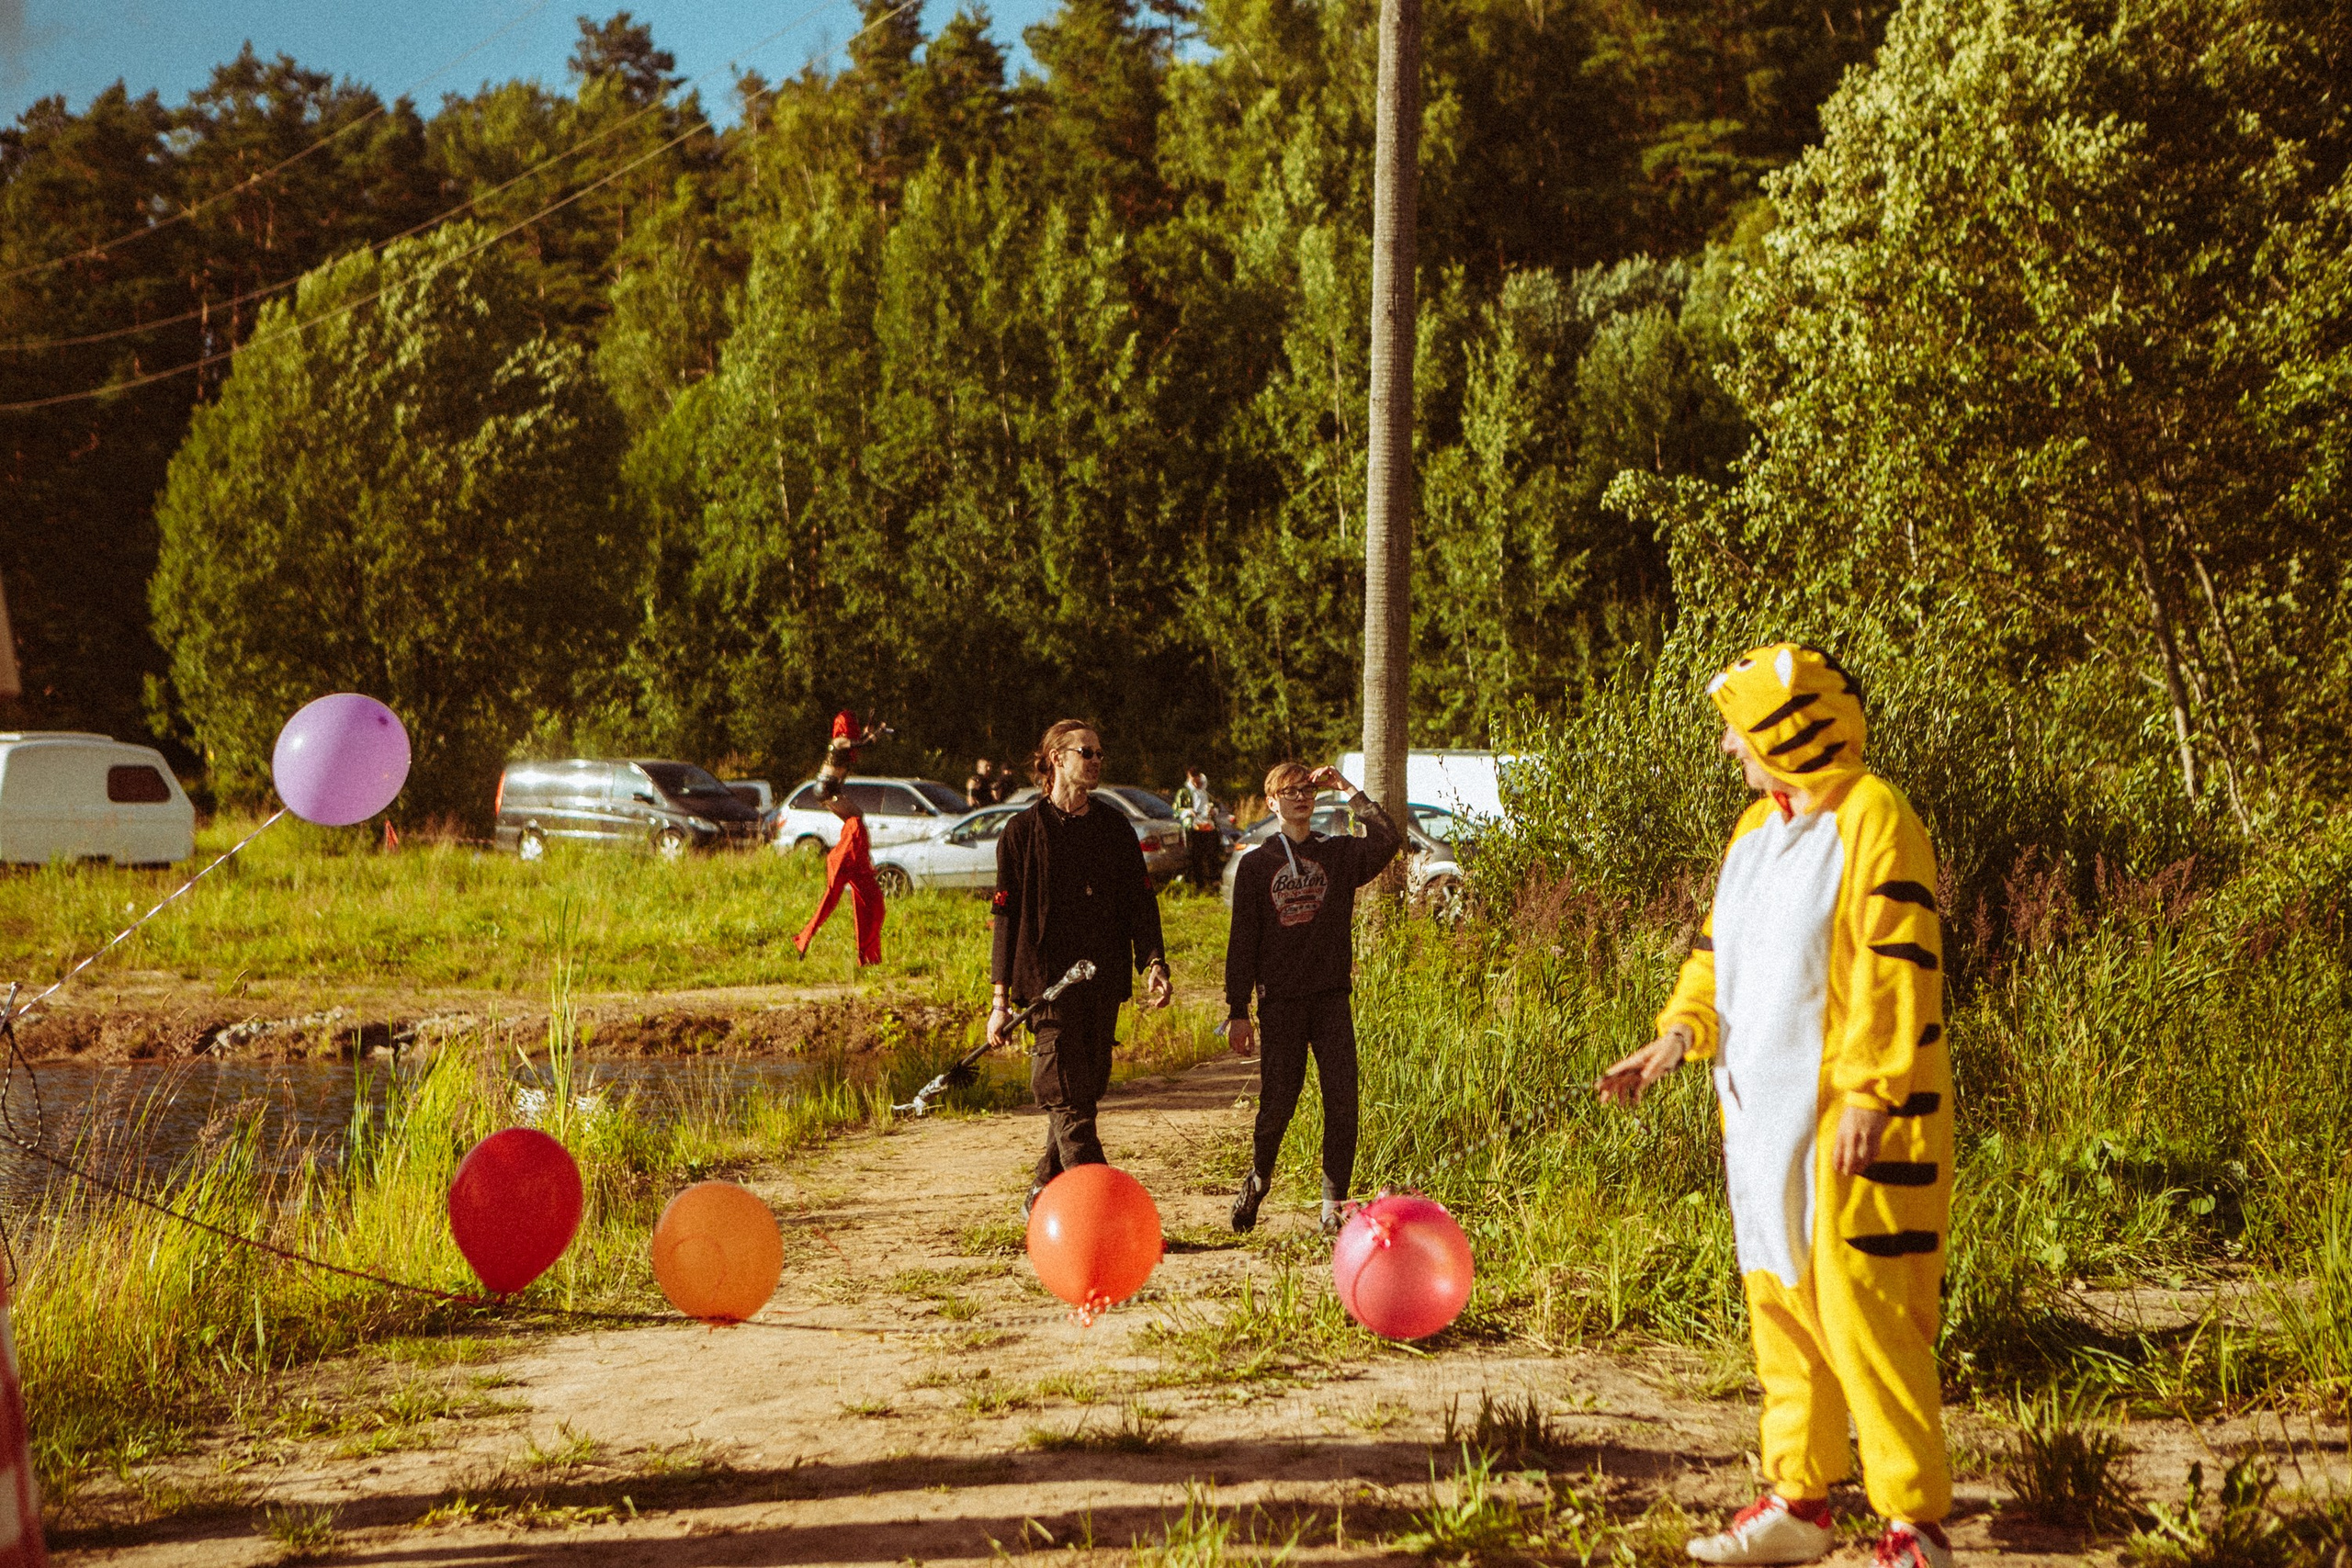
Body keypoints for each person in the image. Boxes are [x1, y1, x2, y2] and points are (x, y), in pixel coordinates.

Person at [1596, 643, 1954, 1568]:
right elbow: (1718, 958)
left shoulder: (1877, 817)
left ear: (1788, 731)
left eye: (1739, 728)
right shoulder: (1755, 830)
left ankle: (1914, 1527)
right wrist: (1676, 1037)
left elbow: (1896, 966)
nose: (1727, 746)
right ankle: (1799, 1500)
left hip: (1854, 1127)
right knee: (1782, 1311)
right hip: (1760, 1125)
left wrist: (1876, 1091)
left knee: (1867, 1314)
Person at [989, 720, 1172, 1212]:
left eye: (1099, 753)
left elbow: (1140, 902)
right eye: (1085, 752)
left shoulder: (1115, 829)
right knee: (1063, 1093)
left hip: (1102, 983)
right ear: (1056, 759)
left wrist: (1153, 960)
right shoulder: (1022, 832)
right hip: (1048, 988)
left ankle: (1040, 1192)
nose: (1095, 761)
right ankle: (1110, 1212)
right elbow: (1005, 917)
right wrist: (1000, 1001)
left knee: (1084, 1092)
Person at [1224, 761, 1401, 1234]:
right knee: (1279, 1102)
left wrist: (1347, 788)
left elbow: (1388, 840)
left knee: (1343, 1101)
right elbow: (1242, 941)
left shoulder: (1337, 855)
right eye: (1290, 790)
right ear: (1272, 801)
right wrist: (1238, 1011)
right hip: (1281, 1001)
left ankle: (1332, 1206)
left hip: (1330, 997)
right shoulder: (1257, 865)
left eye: (1307, 789)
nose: (1301, 797)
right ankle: (1259, 1179)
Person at [795, 792, 885, 965]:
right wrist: (831, 800)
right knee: (868, 911)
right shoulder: (856, 825)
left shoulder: (855, 823)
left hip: (854, 867)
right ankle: (868, 957)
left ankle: (869, 957)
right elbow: (849, 855)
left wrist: (831, 801)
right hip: (845, 863)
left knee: (872, 911)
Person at [814, 708, 888, 801]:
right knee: (854, 814)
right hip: (825, 784)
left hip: (833, 784)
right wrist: (880, 730)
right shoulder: (839, 741)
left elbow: (862, 739)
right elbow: (863, 743)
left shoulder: (844, 742)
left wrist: (870, 725)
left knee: (854, 814)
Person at [1171, 766, 1227, 891]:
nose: (1197, 783)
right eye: (1194, 781)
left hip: (1208, 826)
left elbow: (1217, 805)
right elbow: (1175, 811)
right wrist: (1187, 811)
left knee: (1212, 854)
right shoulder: (1184, 792)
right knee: (1197, 856)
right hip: (1194, 828)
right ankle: (1199, 884)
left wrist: (1214, 811)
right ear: (1190, 780)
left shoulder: (1206, 791)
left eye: (1198, 780)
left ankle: (1214, 881)